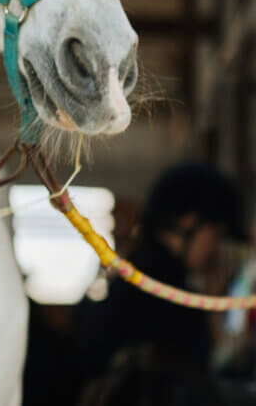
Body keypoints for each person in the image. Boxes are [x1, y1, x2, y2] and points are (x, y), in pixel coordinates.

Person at [73, 161, 246, 406]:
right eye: (215, 234)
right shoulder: (165, 289)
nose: (215, 248)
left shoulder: (137, 271)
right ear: (188, 222)